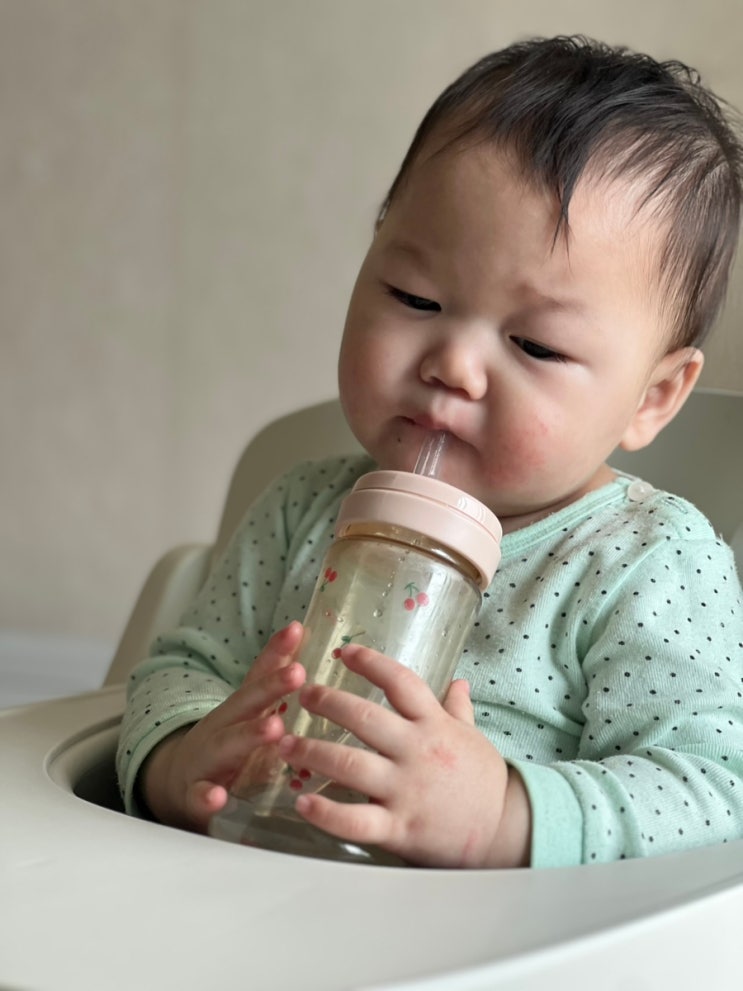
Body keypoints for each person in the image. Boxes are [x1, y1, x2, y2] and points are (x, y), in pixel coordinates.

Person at [117, 35, 743, 869]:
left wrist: (501, 815)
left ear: (653, 395)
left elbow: (714, 786)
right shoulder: (302, 511)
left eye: (535, 344)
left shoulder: (643, 561)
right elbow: (181, 667)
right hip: (252, 884)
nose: (453, 365)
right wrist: (183, 754)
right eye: (414, 297)